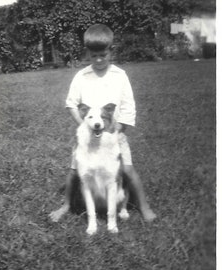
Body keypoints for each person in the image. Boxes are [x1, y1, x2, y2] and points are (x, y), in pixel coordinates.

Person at [49, 24, 156, 222]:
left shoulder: (119, 76)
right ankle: (65, 205)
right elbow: (71, 104)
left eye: (103, 55)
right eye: (94, 55)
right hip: (88, 136)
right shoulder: (82, 76)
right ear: (87, 53)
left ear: (111, 52)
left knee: (127, 169)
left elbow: (128, 105)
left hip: (114, 135)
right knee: (74, 170)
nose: (98, 60)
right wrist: (84, 124)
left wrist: (120, 128)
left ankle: (143, 206)